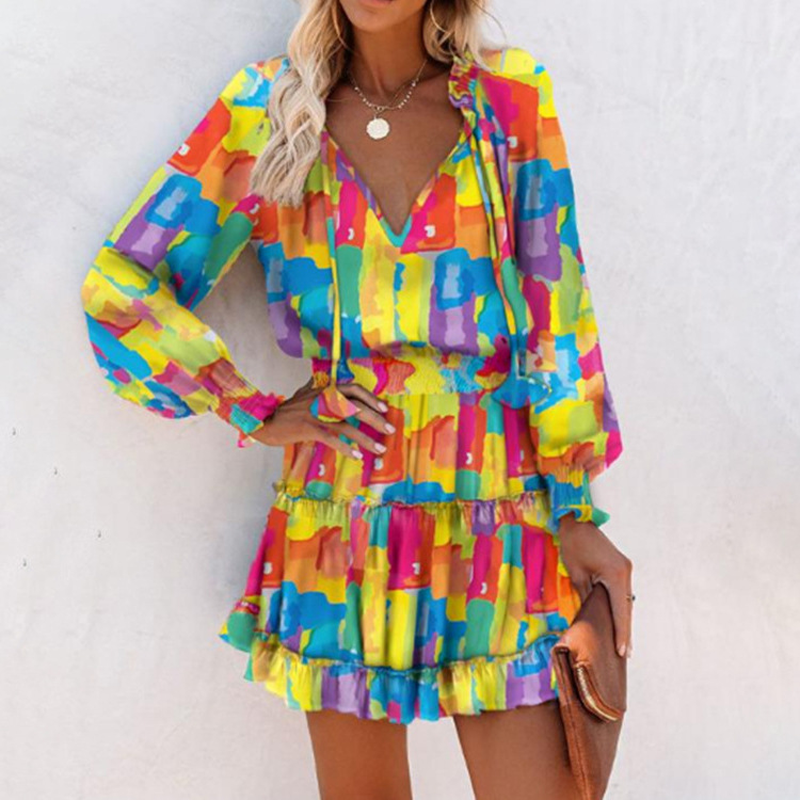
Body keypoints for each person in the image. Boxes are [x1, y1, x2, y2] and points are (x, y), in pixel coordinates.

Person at [79, 0, 634, 796]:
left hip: (500, 501)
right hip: (340, 512)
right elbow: (119, 286)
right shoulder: (268, 108)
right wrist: (250, 408)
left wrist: (575, 507)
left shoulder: (509, 99)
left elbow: (558, 302)